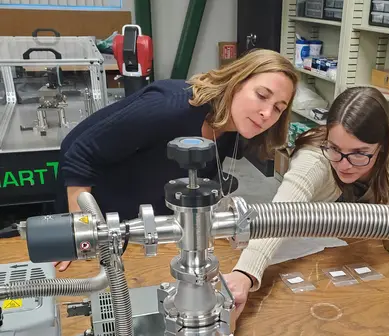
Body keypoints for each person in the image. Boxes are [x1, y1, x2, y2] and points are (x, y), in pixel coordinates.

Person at [54, 49, 298, 271]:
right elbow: (78, 153)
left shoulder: (232, 129)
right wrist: (80, 231)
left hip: (152, 226)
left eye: (278, 108)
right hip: (102, 220)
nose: (267, 113)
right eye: (262, 95)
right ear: (236, 82)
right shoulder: (169, 107)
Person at [224, 86, 389, 319]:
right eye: (335, 148)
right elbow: (281, 213)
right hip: (314, 252)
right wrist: (244, 274)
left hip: (363, 249)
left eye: (359, 153)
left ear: (382, 147)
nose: (344, 164)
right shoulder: (313, 160)